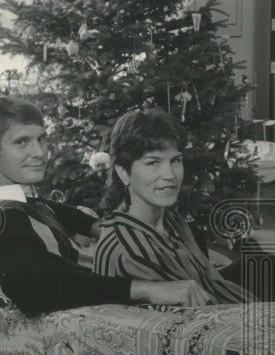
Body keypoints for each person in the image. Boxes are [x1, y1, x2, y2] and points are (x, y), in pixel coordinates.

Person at [0, 97, 207, 315]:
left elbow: (48, 208)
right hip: (111, 282)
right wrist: (146, 289)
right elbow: (29, 286)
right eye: (22, 142)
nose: (40, 152)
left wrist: (95, 226)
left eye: (41, 139)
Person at [94, 109, 263, 303]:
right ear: (124, 173)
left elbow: (212, 283)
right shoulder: (129, 250)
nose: (170, 175)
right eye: (152, 163)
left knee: (264, 263)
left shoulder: (171, 220)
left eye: (175, 161)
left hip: (233, 310)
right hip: (217, 325)